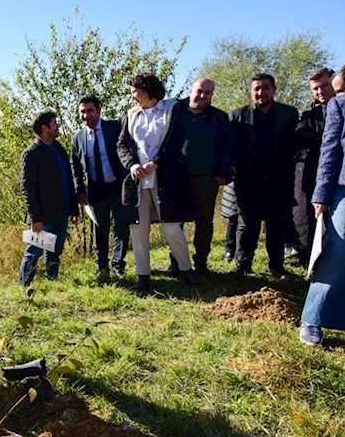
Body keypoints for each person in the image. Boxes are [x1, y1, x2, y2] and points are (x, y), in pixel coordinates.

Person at [299, 56, 345, 346]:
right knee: (338, 251)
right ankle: (314, 317)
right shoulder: (343, 104)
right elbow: (329, 153)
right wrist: (321, 195)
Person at [117, 73, 201, 291]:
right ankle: (142, 276)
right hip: (137, 182)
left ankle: (186, 269)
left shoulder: (173, 110)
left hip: (167, 178)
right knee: (138, 229)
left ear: (148, 92)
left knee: (172, 227)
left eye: (135, 92)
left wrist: (156, 163)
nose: (132, 97)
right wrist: (133, 165)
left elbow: (176, 141)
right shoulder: (130, 115)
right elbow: (123, 145)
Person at [229, 74, 298, 278]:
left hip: (279, 179)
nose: (261, 92)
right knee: (246, 224)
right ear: (251, 92)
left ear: (274, 89)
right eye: (256, 89)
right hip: (247, 180)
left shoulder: (289, 114)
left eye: (265, 88)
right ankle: (242, 265)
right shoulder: (236, 116)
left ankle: (276, 266)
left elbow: (295, 145)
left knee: (276, 224)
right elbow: (230, 148)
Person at [167, 78, 234, 274]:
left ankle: (201, 263)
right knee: (175, 222)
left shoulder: (219, 117)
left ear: (212, 95)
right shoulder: (174, 111)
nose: (202, 96)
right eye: (199, 91)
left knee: (204, 222)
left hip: (206, 178)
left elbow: (229, 147)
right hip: (176, 177)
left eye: (207, 93)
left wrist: (222, 171)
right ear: (191, 90)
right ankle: (177, 262)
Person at [70, 96, 129, 279]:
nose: (85, 115)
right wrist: (79, 189)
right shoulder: (78, 137)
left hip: (118, 187)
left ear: (99, 110)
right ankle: (101, 268)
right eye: (82, 111)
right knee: (100, 229)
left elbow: (128, 150)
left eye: (89, 110)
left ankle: (118, 266)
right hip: (96, 190)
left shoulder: (114, 127)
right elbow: (75, 165)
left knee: (122, 228)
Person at [20, 112, 79, 286]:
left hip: (61, 212)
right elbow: (27, 188)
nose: (58, 126)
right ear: (45, 128)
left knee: (54, 251)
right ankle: (24, 287)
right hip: (42, 217)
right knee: (33, 252)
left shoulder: (59, 148)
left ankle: (51, 283)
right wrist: (35, 217)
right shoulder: (32, 153)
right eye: (55, 124)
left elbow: (68, 179)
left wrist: (73, 209)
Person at [290, 68, 336, 265]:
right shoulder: (309, 116)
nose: (320, 91)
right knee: (309, 221)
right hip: (313, 177)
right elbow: (297, 142)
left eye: (324, 85)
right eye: (315, 88)